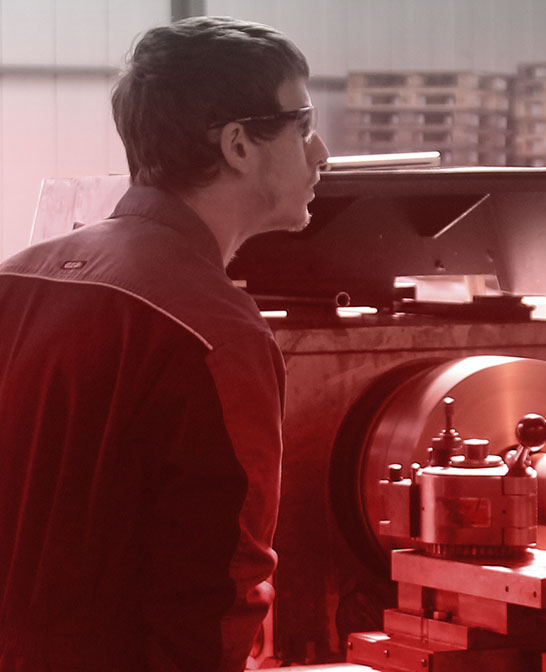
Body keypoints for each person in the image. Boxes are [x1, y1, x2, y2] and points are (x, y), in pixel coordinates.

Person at [0, 16, 329, 671]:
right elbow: (216, 591)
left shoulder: (16, 280)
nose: (320, 153)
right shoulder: (215, 332)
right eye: (303, 125)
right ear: (238, 144)